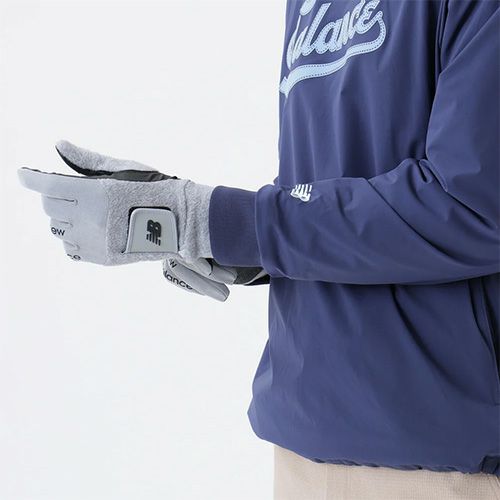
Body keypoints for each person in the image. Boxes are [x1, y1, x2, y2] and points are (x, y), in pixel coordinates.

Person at [19, 0, 500, 498]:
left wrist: (223, 219)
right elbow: (326, 180)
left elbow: (473, 205)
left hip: (443, 457)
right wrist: (234, 246)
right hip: (300, 440)